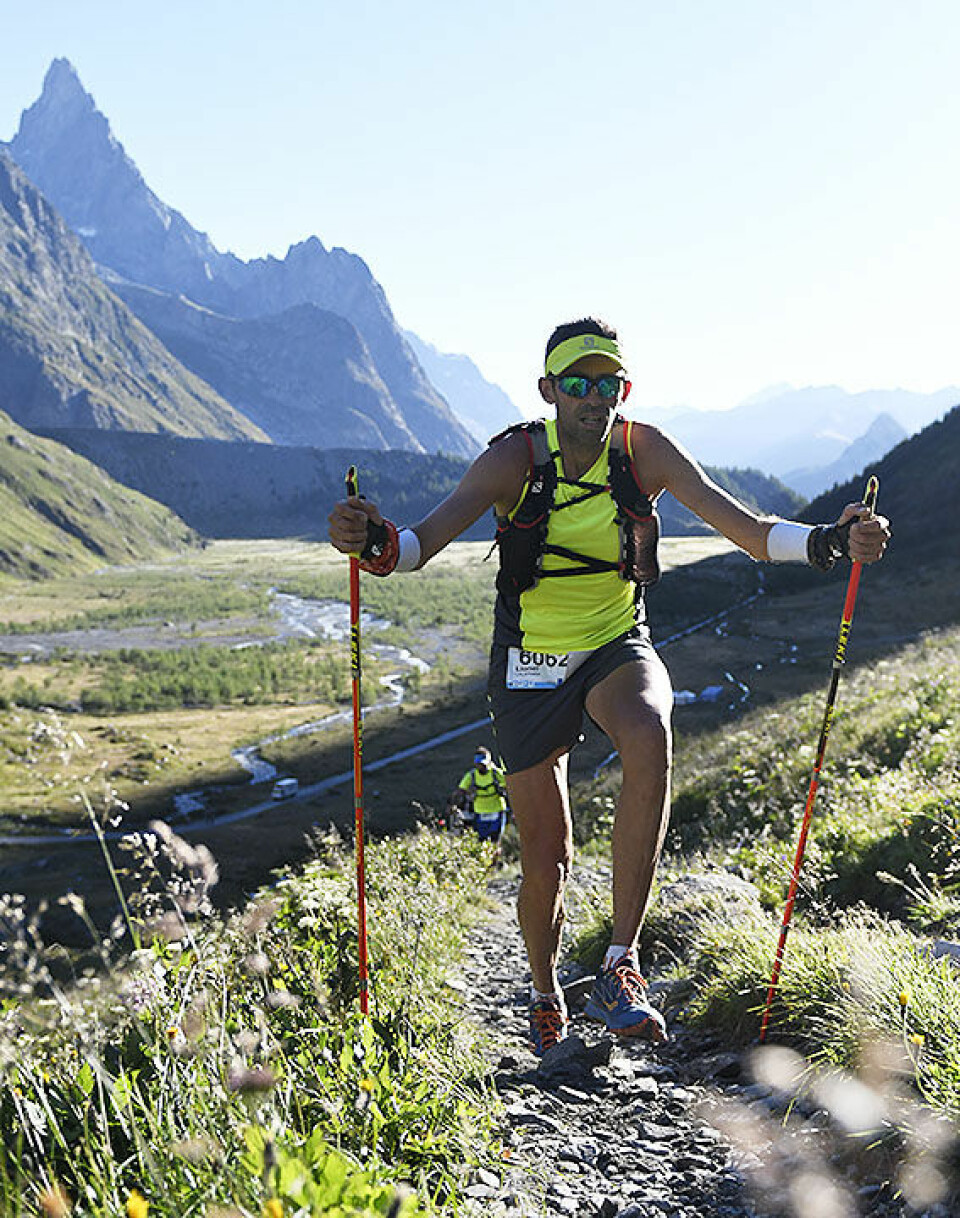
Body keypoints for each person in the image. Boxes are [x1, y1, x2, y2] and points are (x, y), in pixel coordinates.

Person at [328, 317, 890, 1058]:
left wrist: (830, 540)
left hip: (614, 643)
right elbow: (417, 547)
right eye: (579, 383)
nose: (597, 397)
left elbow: (750, 530)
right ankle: (542, 989)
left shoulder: (643, 450)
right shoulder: (512, 460)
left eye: (610, 383)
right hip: (528, 659)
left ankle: (621, 966)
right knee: (548, 855)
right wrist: (367, 539)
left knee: (650, 732)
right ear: (549, 390)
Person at [451, 746, 510, 843]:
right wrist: (453, 804)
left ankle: (495, 857)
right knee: (481, 840)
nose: (481, 766)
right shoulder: (471, 775)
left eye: (483, 764)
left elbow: (508, 786)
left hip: (497, 810)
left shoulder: (496, 773)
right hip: (480, 812)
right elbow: (460, 790)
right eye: (479, 764)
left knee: (495, 839)